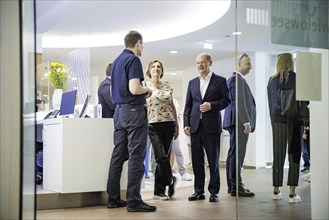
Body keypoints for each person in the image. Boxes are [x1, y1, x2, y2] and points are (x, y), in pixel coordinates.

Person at [106, 30, 156, 212]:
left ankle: (113, 198)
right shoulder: (133, 60)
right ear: (138, 43)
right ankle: (134, 201)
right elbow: (134, 88)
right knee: (136, 155)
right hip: (134, 112)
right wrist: (147, 89)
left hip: (119, 113)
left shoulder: (117, 61)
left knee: (118, 155)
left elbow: (114, 92)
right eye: (142, 45)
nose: (142, 48)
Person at [183, 53, 229, 203]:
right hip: (195, 127)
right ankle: (198, 191)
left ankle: (214, 192)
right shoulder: (192, 83)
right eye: (197, 63)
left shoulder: (220, 81)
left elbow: (226, 101)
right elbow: (188, 105)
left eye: (203, 62)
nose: (200, 65)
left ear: (210, 63)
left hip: (212, 127)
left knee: (213, 161)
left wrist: (212, 106)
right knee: (197, 161)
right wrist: (186, 124)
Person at [267, 52, 302, 203]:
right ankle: (292, 194)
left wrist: (273, 121)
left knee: (278, 154)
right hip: (295, 120)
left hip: (277, 120)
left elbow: (270, 103)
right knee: (294, 154)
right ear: (291, 62)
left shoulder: (272, 80)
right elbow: (304, 101)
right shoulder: (297, 78)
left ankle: (276, 191)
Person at [223, 53, 256, 197]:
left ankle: (234, 185)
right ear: (239, 64)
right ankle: (236, 186)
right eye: (248, 64)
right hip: (238, 122)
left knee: (234, 154)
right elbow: (238, 102)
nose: (251, 67)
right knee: (237, 155)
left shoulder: (237, 80)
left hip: (236, 121)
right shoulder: (235, 80)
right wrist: (246, 121)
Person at [145, 60, 179, 200]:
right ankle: (171, 180)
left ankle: (158, 191)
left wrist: (176, 125)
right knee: (160, 156)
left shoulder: (167, 86)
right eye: (153, 67)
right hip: (153, 125)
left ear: (161, 70)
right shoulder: (145, 86)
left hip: (169, 124)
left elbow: (172, 106)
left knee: (163, 157)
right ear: (149, 70)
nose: (156, 68)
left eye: (158, 67)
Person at [171, 99, 192, 181]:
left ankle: (183, 172)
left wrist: (177, 129)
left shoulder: (175, 101)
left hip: (174, 129)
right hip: (162, 129)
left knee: (178, 151)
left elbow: (178, 116)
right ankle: (166, 174)